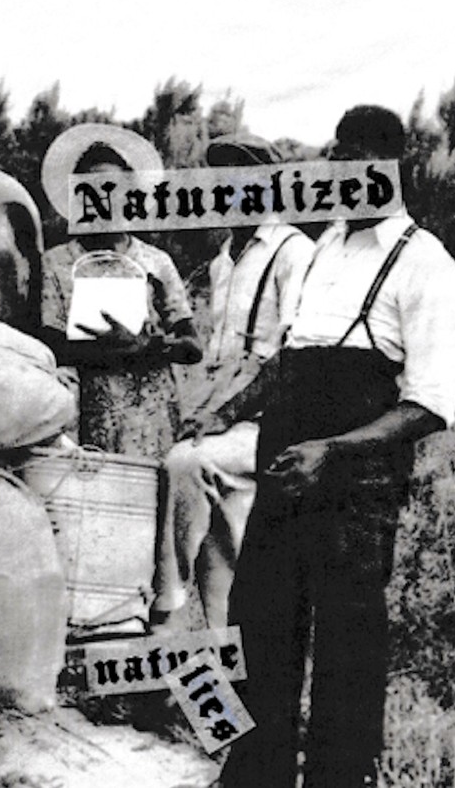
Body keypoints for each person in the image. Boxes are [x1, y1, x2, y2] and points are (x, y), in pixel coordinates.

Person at [200, 106, 455, 787]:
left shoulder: (426, 265)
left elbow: (430, 404)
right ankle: (253, 774)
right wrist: (222, 412)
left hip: (357, 481)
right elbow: (288, 359)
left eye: (358, 163)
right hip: (286, 462)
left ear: (390, 166)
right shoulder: (322, 248)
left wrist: (336, 451)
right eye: (337, 161)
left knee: (348, 645)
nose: (345, 176)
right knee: (257, 620)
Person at [151, 134, 314, 631]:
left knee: (185, 465)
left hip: (271, 419)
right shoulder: (225, 259)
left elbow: (294, 355)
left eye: (243, 179)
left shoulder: (293, 251)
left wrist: (224, 414)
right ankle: (225, 675)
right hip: (227, 414)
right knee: (225, 560)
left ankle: (165, 608)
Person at [36, 124, 203, 458]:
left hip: (151, 417)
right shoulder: (56, 263)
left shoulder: (155, 261)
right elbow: (50, 347)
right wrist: (118, 349)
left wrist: (151, 345)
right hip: (81, 414)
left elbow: (192, 346)